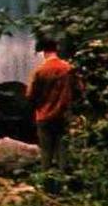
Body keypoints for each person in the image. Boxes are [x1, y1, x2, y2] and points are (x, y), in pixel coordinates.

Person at [26, 39, 74, 174]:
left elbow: (30, 95)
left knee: (46, 150)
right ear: (56, 49)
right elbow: (79, 89)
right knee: (63, 148)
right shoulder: (68, 68)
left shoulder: (40, 71)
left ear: (44, 52)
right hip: (63, 115)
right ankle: (64, 180)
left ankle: (46, 180)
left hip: (44, 115)